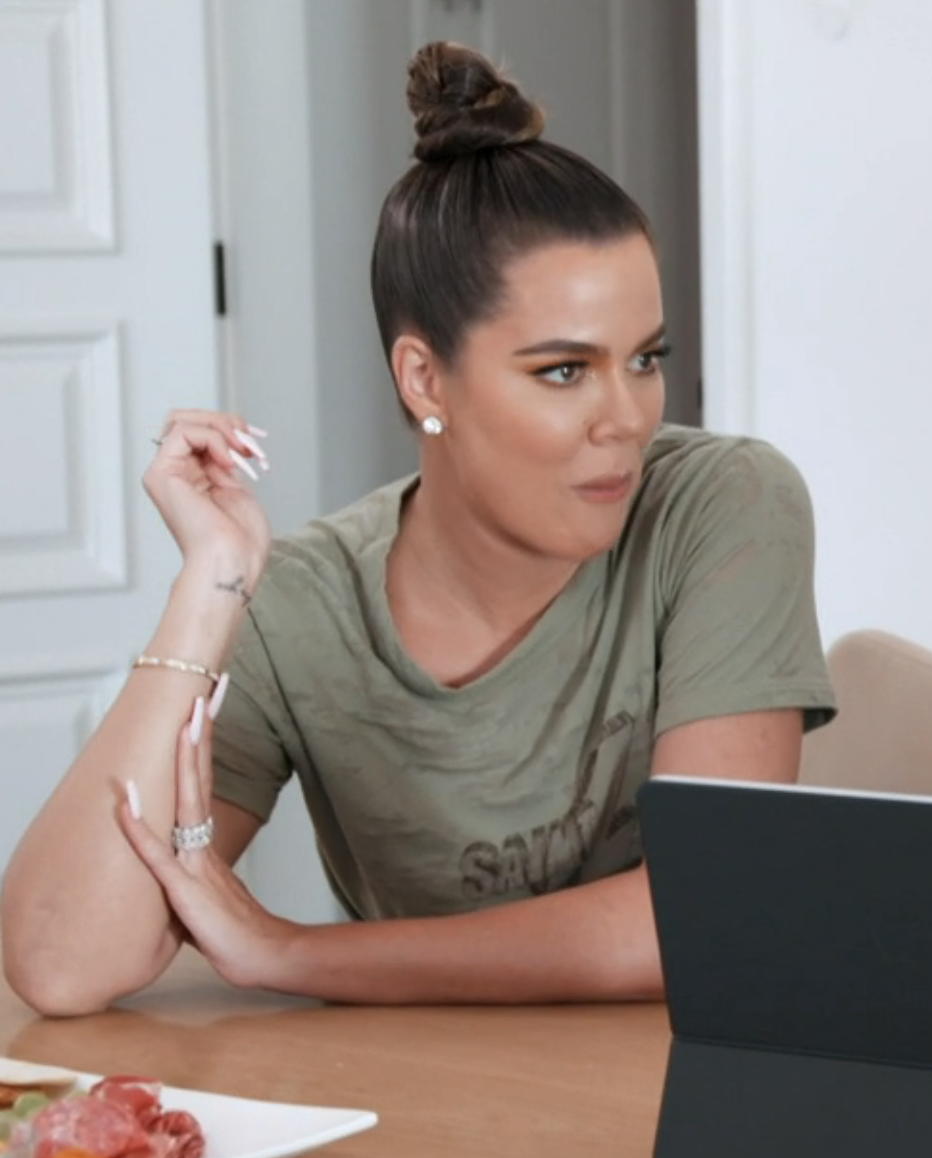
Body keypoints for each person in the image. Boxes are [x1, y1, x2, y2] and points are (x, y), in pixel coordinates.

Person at [1, 43, 834, 1017]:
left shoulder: (723, 506)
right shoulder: (302, 605)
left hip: (677, 1088)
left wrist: (290, 954)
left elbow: (705, 912)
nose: (628, 417)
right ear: (424, 379)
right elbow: (64, 963)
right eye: (564, 370)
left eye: (645, 358)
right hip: (412, 1103)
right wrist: (208, 585)